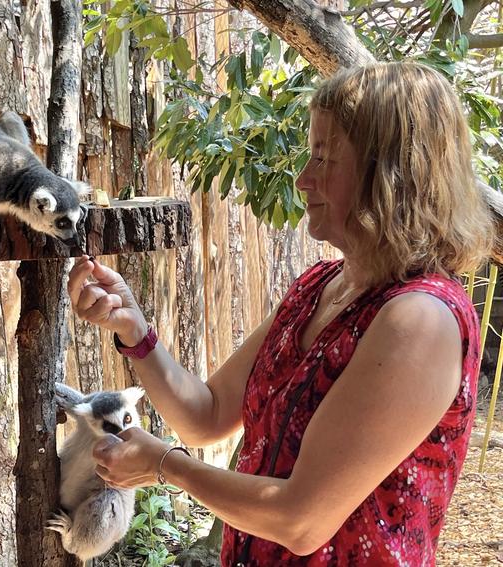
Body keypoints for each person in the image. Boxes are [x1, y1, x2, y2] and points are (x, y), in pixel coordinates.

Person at [67, 62, 494, 566]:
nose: (302, 177)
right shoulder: (318, 288)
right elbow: (205, 416)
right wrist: (133, 329)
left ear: (390, 175)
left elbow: (302, 519)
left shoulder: (421, 320)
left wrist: (167, 466)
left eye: (323, 158)